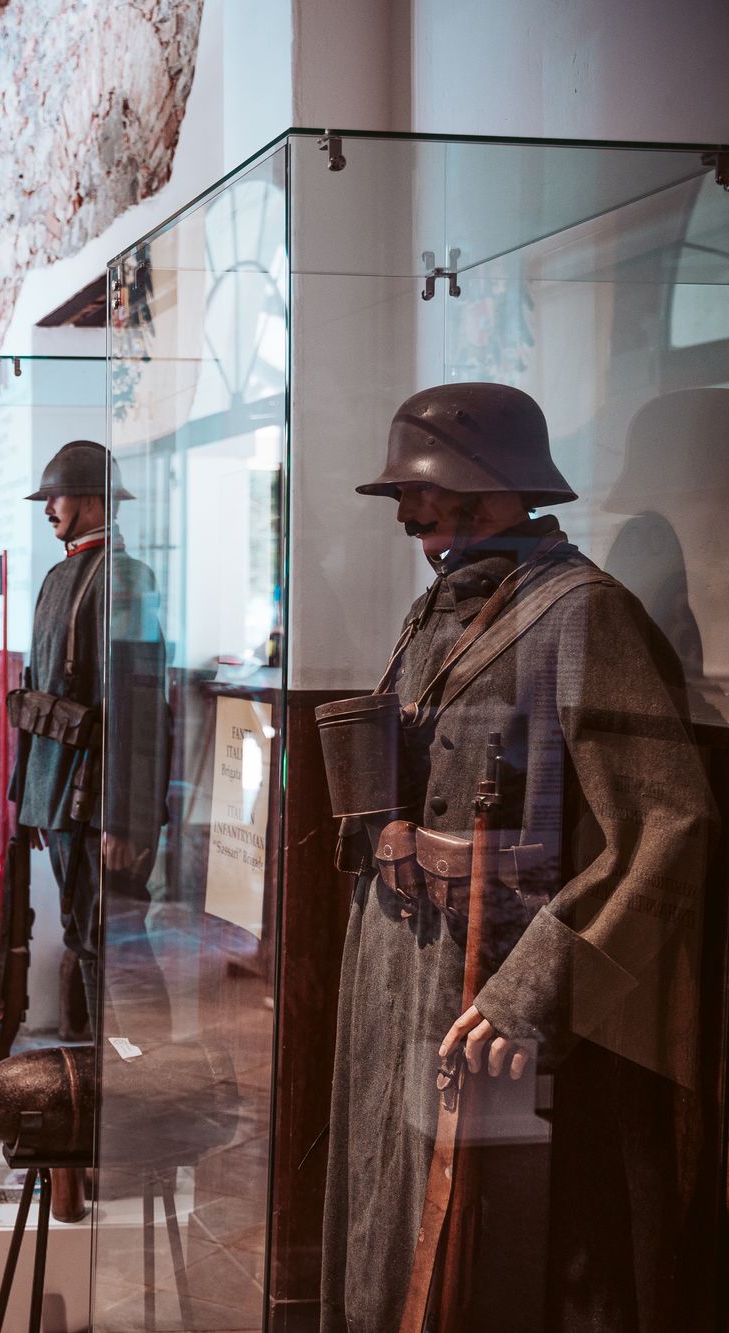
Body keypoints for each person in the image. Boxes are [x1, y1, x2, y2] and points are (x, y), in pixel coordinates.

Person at [319, 383, 714, 1332]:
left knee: (490, 1255)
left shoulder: (583, 615)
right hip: (397, 971)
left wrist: (533, 989)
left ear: (490, 482)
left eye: (426, 489)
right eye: (407, 493)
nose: (408, 512)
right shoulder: (440, 608)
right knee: (382, 1215)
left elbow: (667, 824)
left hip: (488, 993)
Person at [8, 440, 166, 1042]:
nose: (49, 508)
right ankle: (99, 1067)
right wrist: (29, 799)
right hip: (60, 798)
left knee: (113, 941)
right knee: (84, 932)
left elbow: (136, 708)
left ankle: (133, 1070)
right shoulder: (60, 576)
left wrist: (123, 819)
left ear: (96, 503)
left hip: (95, 801)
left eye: (59, 496)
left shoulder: (125, 580)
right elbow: (36, 696)